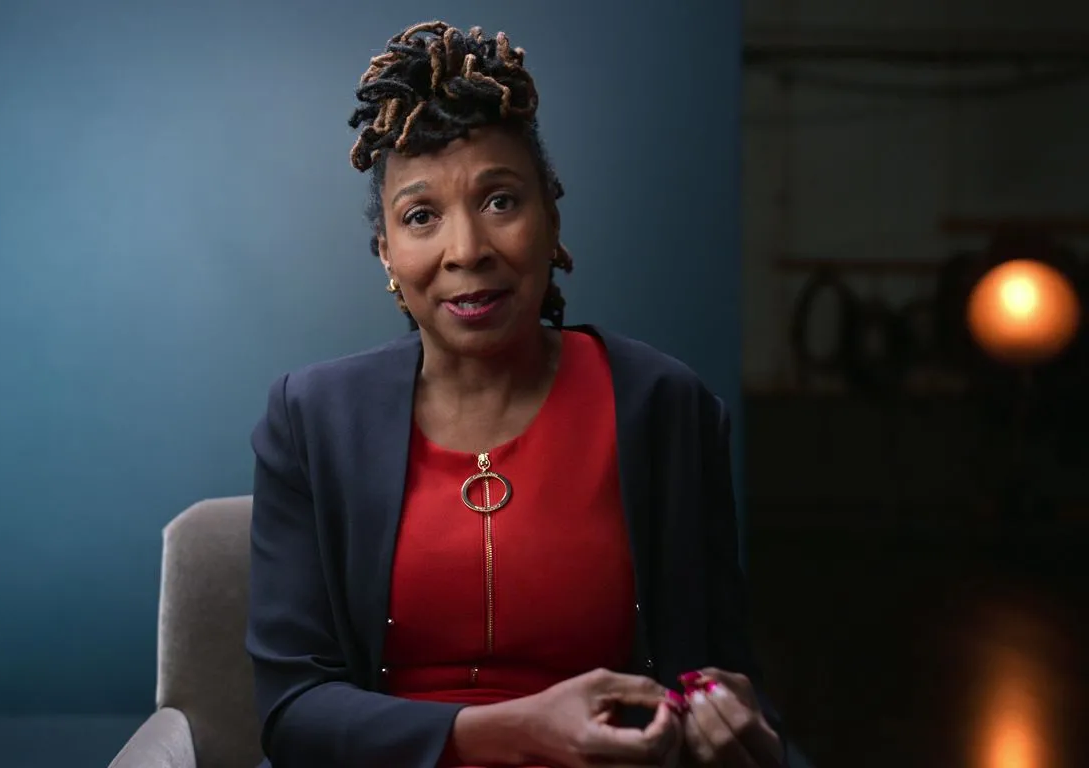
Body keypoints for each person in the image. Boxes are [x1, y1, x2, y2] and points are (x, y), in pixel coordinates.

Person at [247, 20, 786, 768]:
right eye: (421, 216)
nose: (467, 250)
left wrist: (730, 724)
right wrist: (516, 730)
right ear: (387, 254)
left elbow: (717, 673)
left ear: (551, 220)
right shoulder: (310, 420)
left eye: (500, 201)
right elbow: (293, 711)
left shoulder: (664, 407)